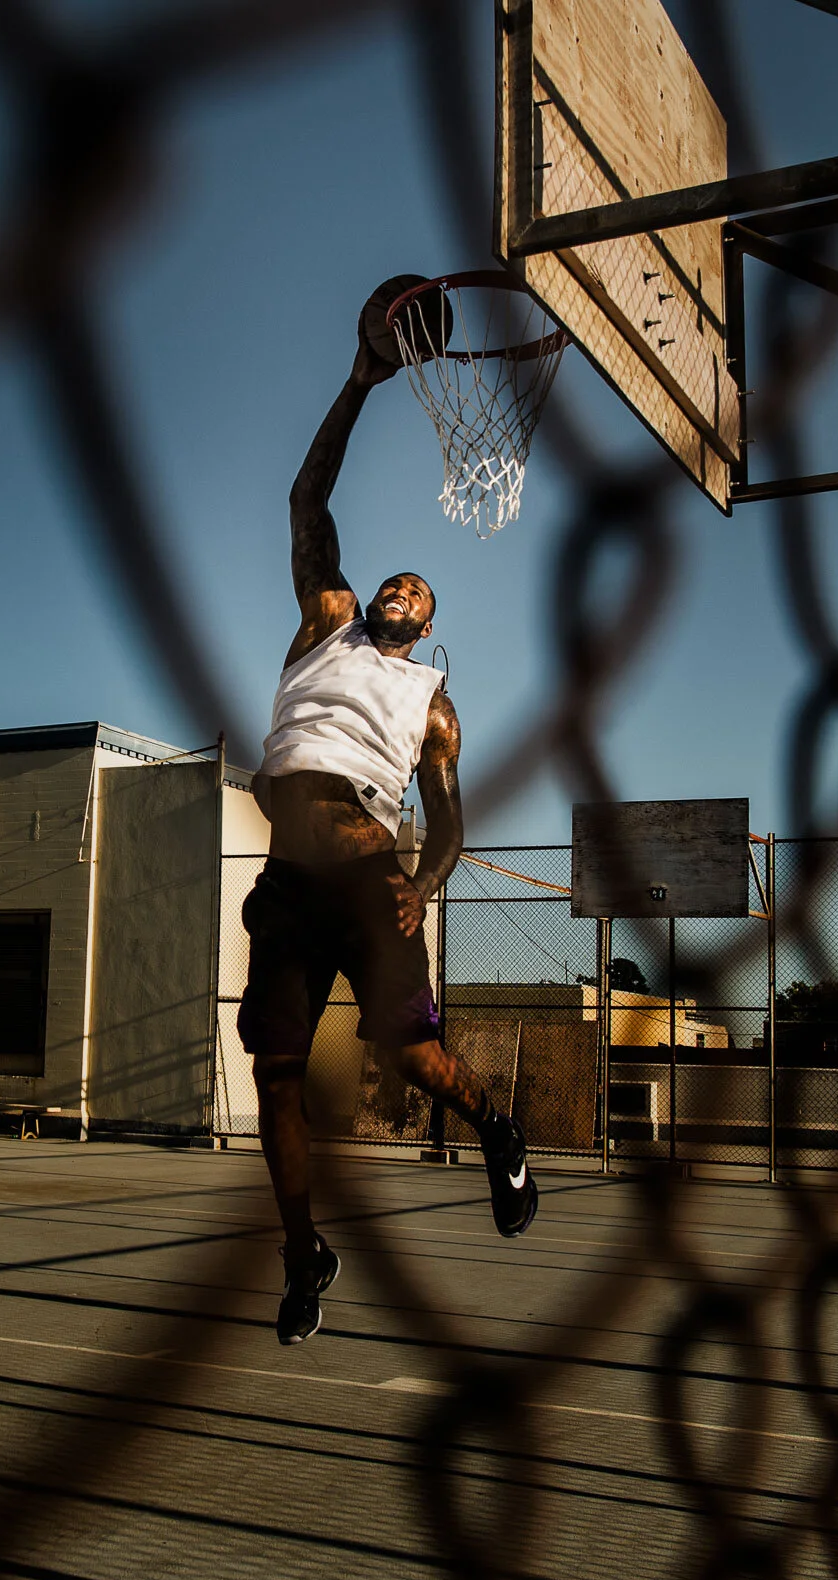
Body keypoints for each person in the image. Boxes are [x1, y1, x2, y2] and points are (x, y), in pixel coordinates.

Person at [240, 286, 538, 1346]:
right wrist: (359, 381)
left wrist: (428, 879)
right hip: (289, 878)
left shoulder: (435, 705)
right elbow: (305, 494)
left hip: (373, 873)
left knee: (408, 1056)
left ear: (428, 622)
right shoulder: (326, 621)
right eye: (395, 577)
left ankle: (497, 1126)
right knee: (274, 1065)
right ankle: (301, 1251)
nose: (401, 586)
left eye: (419, 588)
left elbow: (451, 819)